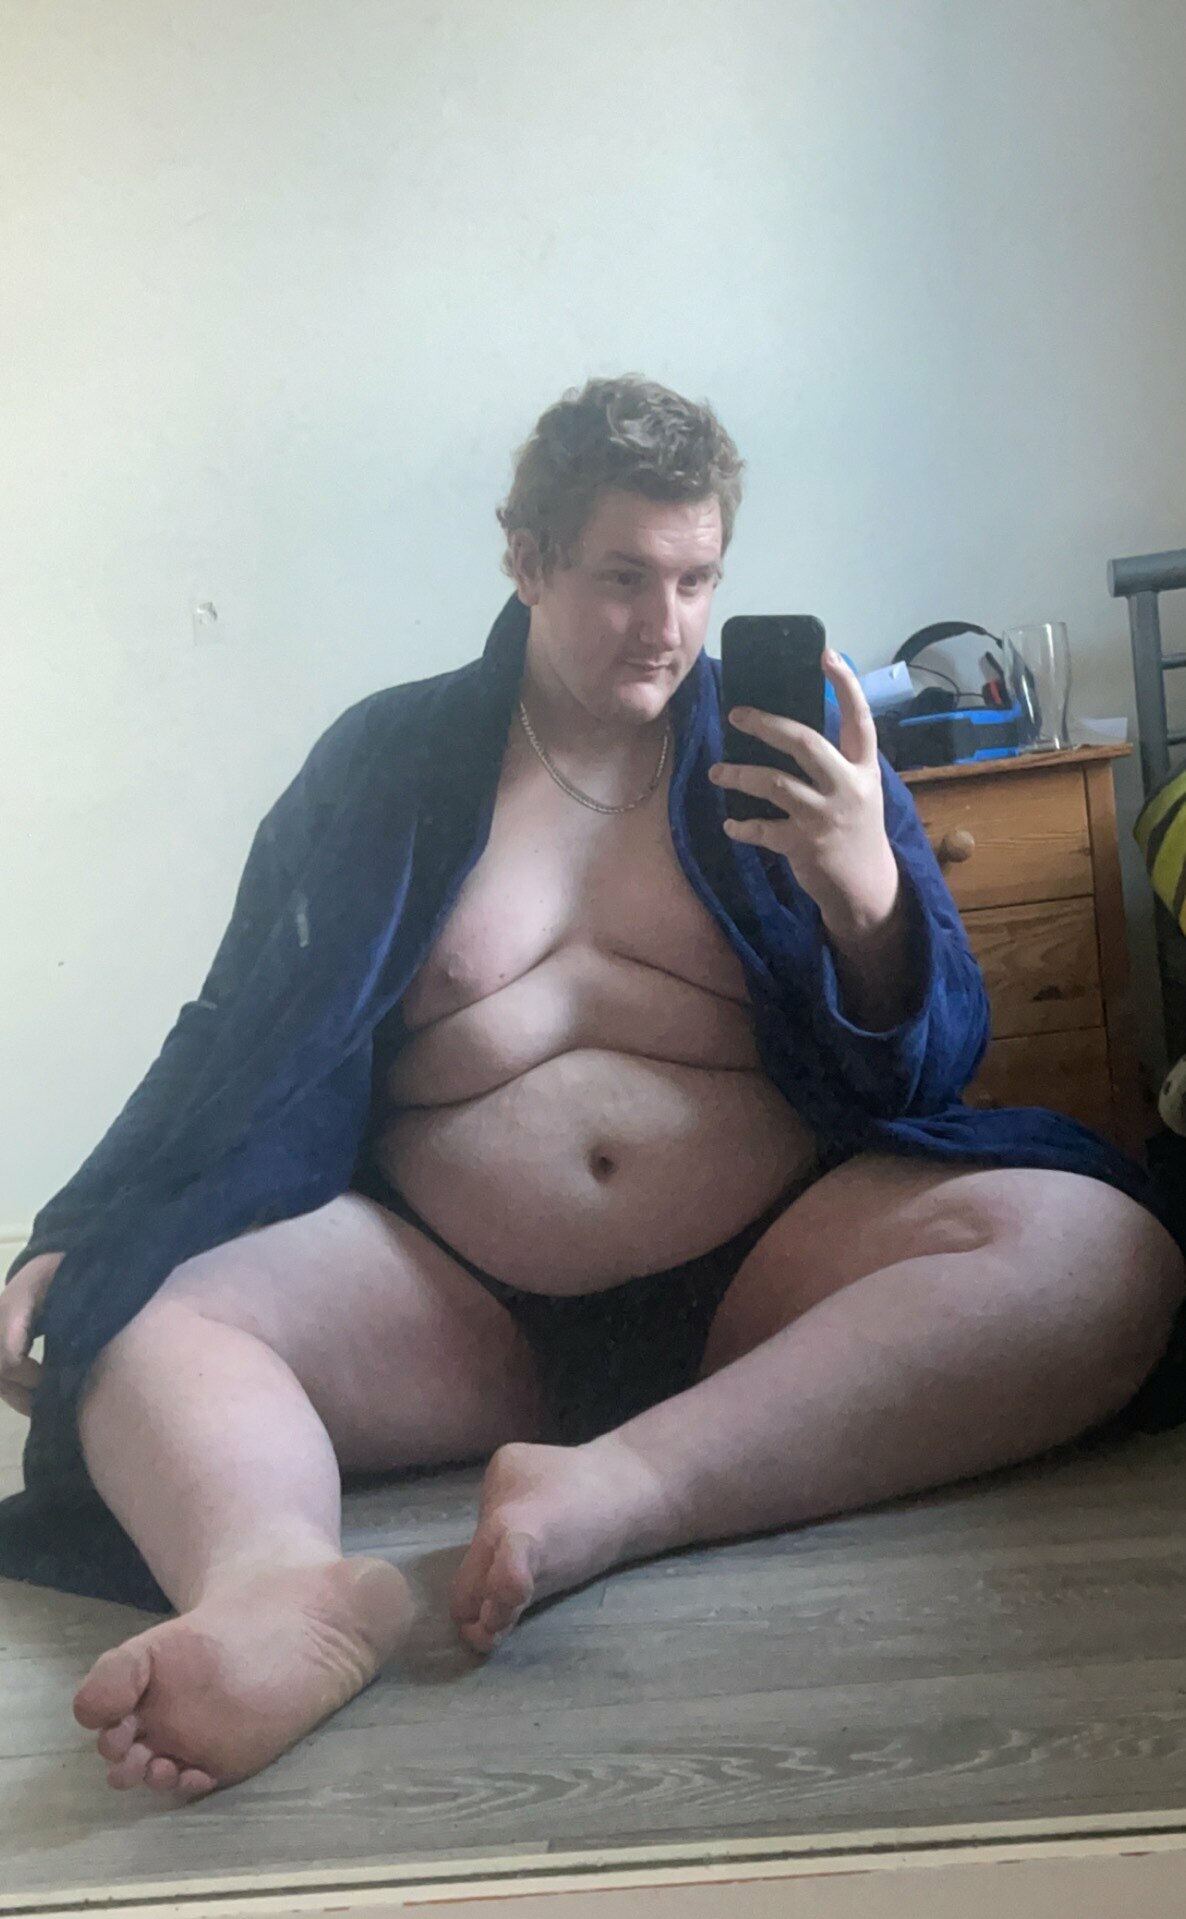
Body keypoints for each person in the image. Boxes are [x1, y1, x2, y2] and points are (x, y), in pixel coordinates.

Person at [2, 374, 1183, 1805]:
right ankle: (276, 1586)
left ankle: (624, 1488)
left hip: (766, 1282)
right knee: (139, 1307)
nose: (666, 625)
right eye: (624, 577)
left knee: (1099, 1252)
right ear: (527, 558)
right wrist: (82, 1220)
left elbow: (929, 1065)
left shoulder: (790, 757)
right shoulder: (385, 764)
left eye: (695, 580)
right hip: (451, 1304)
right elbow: (233, 1025)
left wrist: (869, 887)